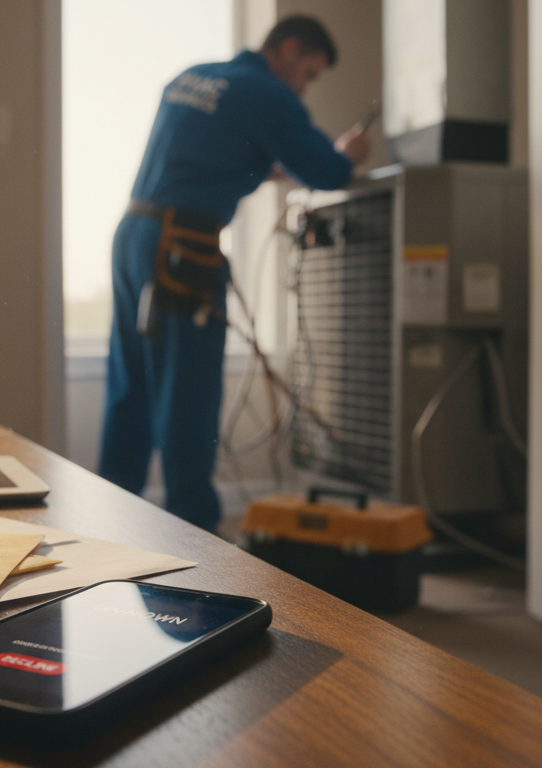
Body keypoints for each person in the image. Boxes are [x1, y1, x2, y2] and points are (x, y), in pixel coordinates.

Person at [99, 15, 371, 532]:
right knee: (189, 397)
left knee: (130, 385)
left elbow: (207, 153)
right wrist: (349, 153)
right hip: (183, 245)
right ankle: (196, 544)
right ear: (289, 50)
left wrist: (261, 165)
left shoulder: (193, 76)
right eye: (309, 74)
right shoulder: (268, 93)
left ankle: (109, 526)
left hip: (134, 235)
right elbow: (327, 172)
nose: (304, 86)